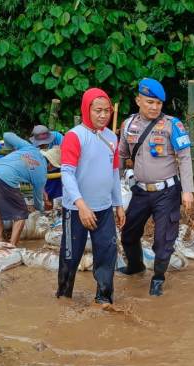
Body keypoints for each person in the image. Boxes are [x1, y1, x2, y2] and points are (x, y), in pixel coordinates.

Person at [117, 78, 194, 296]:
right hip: (140, 191)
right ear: (138, 100)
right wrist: (115, 187)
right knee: (129, 233)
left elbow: (185, 157)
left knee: (163, 239)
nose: (154, 107)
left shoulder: (173, 125)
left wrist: (187, 190)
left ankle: (158, 277)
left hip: (167, 192)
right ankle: (135, 266)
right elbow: (121, 156)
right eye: (150, 102)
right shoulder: (128, 125)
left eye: (158, 103)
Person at [57, 88, 125, 305]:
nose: (103, 115)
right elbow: (66, 173)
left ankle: (104, 301)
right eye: (98, 110)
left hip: (104, 209)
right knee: (70, 257)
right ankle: (63, 298)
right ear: (87, 110)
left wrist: (119, 205)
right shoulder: (74, 136)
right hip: (76, 210)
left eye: (107, 111)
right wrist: (81, 205)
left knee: (107, 255)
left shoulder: (111, 138)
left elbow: (114, 173)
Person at [0, 131, 60, 246]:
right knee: (21, 215)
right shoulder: (41, 174)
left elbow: (7, 135)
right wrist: (44, 210)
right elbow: (37, 202)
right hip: (4, 178)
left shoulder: (30, 148)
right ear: (51, 165)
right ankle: (12, 247)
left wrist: (8, 150)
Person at [30, 125, 64, 207]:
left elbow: (66, 154)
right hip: (45, 169)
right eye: (40, 144)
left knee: (61, 189)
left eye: (44, 143)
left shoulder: (58, 138)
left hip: (60, 165)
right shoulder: (33, 148)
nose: (42, 145)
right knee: (47, 189)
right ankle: (49, 202)